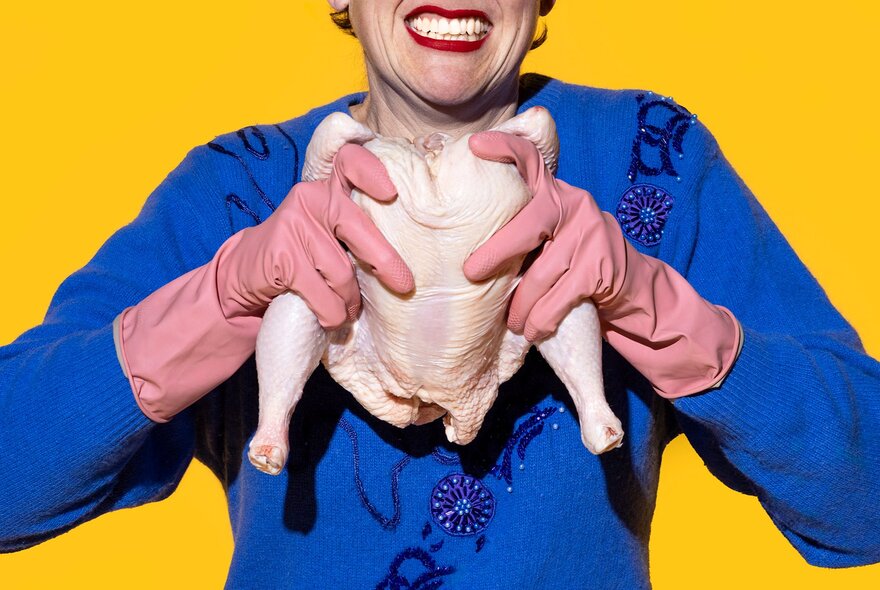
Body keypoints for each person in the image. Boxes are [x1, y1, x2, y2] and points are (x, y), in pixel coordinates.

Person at [1, 1, 878, 588]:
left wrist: (658, 309)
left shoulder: (651, 159)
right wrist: (223, 297)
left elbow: (864, 501)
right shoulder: (241, 187)